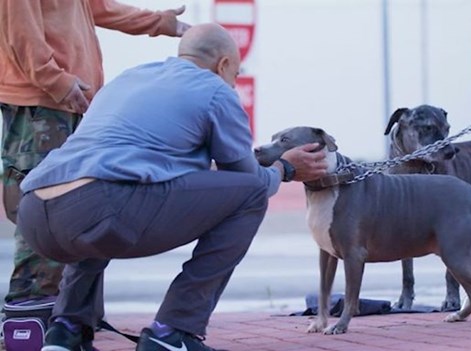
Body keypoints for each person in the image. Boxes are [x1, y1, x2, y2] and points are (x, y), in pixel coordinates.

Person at [17, 23, 328, 351]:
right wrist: (285, 168)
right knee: (249, 195)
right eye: (236, 74)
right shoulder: (215, 89)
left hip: (35, 212)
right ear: (223, 65)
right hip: (99, 206)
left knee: (105, 199)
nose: (233, 82)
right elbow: (251, 181)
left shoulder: (129, 78)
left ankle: (66, 330)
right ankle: (173, 333)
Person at [0, 0, 191, 311]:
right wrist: (57, 81)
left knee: (75, 208)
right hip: (41, 104)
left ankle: (68, 318)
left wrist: (161, 23)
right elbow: (19, 33)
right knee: (43, 207)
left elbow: (97, 7)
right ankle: (27, 318)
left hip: (70, 100)